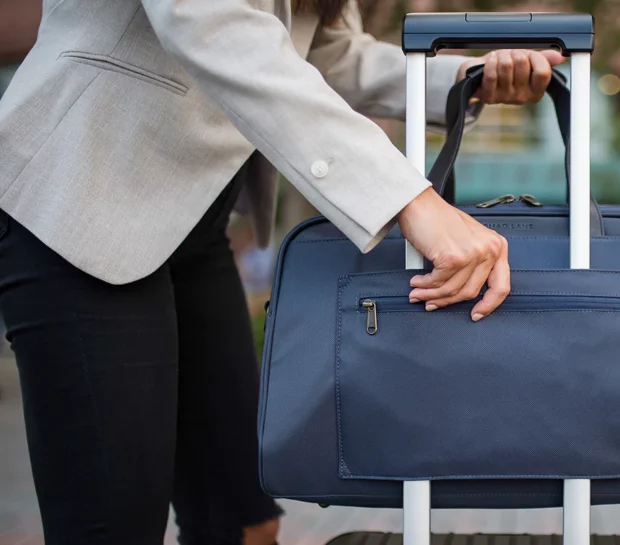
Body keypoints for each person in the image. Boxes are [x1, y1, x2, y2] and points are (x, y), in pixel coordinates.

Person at [0, 0, 564, 543]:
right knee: (113, 526)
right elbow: (209, 21)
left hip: (194, 228)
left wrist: (465, 77)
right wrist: (409, 200)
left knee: (246, 524)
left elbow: (327, 54)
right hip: (82, 200)